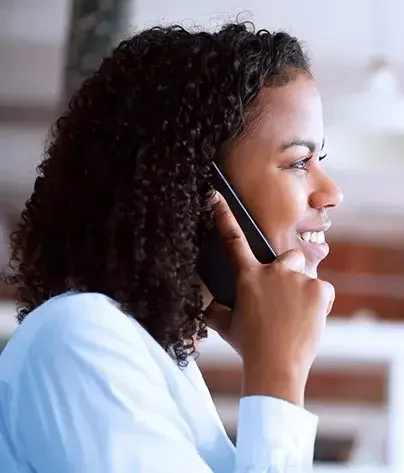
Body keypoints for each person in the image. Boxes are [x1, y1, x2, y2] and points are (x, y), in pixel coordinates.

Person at [0, 22, 343, 472]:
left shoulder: (164, 365)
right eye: (299, 161)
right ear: (197, 185)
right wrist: (278, 375)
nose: (331, 192)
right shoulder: (82, 337)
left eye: (320, 160)